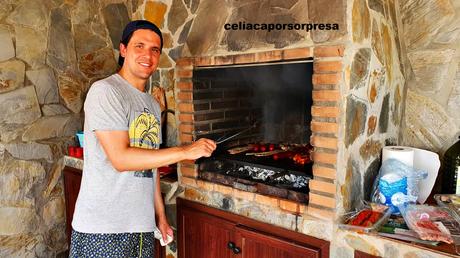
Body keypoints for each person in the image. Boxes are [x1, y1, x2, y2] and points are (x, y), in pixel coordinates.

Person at [70, 20, 216, 257]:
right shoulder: (105, 91)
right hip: (103, 228)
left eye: (155, 49)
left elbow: (152, 168)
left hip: (141, 227)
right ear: (124, 49)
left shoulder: (150, 103)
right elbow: (121, 158)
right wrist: (185, 151)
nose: (148, 55)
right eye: (140, 46)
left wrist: (160, 217)